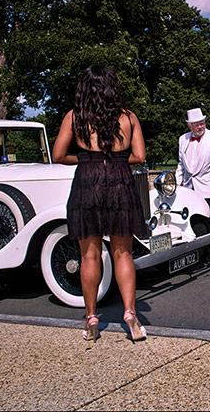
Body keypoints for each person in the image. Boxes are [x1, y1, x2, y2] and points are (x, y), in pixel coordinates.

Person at [53, 65, 148, 343]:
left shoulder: (75, 118)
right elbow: (140, 156)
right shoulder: (128, 117)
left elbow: (58, 155)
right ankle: (130, 313)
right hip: (120, 182)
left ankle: (92, 317)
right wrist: (115, 161)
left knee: (89, 255)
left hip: (87, 183)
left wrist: (85, 159)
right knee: (123, 254)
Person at [175, 108, 210, 266]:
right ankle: (199, 255)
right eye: (196, 124)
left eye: (202, 123)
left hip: (208, 187)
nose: (200, 126)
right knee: (193, 223)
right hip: (189, 189)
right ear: (189, 126)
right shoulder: (182, 139)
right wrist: (178, 185)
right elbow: (181, 165)